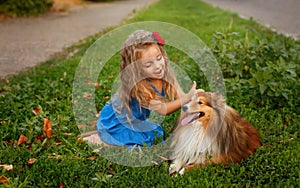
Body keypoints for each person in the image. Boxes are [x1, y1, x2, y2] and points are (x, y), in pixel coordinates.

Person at [83, 30, 198, 149]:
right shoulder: (139, 86)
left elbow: (182, 97)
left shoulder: (166, 75)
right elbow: (163, 110)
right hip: (116, 122)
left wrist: (195, 100)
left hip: (135, 122)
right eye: (148, 65)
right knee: (138, 146)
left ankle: (108, 138)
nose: (158, 66)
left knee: (155, 134)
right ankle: (102, 142)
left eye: (159, 58)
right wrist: (187, 98)